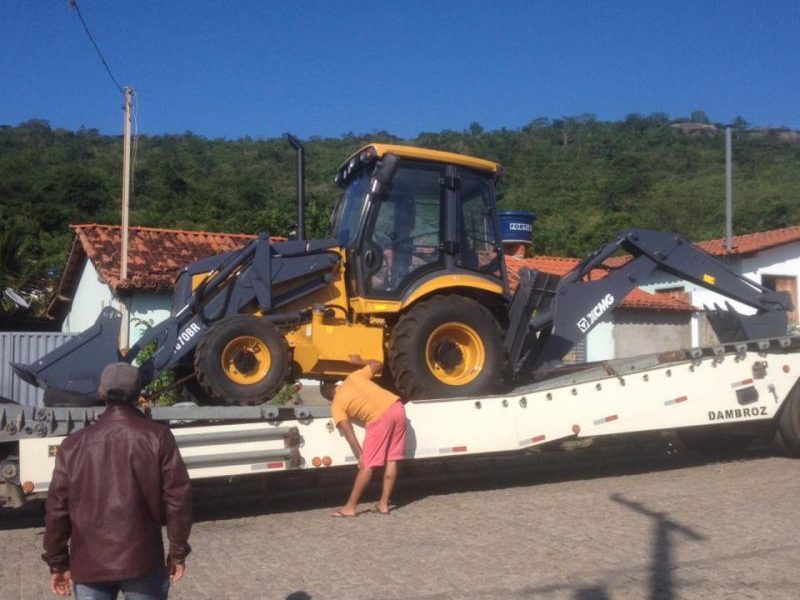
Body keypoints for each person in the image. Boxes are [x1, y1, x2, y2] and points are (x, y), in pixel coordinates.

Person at [43, 362, 193, 599]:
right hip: (143, 560)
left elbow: (57, 509)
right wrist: (177, 553)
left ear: (101, 393)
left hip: (89, 563)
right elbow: (178, 500)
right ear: (138, 394)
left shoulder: (73, 444)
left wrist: (58, 563)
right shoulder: (158, 437)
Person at [322, 356, 407, 517]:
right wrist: (359, 361)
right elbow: (378, 364)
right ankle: (383, 504)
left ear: (328, 397)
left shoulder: (336, 404)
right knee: (392, 459)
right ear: (336, 385)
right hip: (397, 407)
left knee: (368, 465)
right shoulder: (353, 377)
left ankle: (350, 507)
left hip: (380, 418)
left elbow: (348, 432)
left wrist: (360, 455)